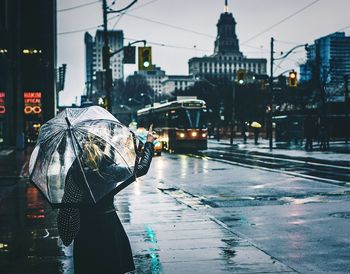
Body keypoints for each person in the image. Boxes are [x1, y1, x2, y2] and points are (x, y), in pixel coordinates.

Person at [57, 125, 157, 274]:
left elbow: (68, 206)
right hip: (108, 228)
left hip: (85, 232)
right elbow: (141, 168)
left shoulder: (75, 171)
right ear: (103, 146)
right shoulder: (107, 170)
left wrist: (67, 234)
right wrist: (149, 143)